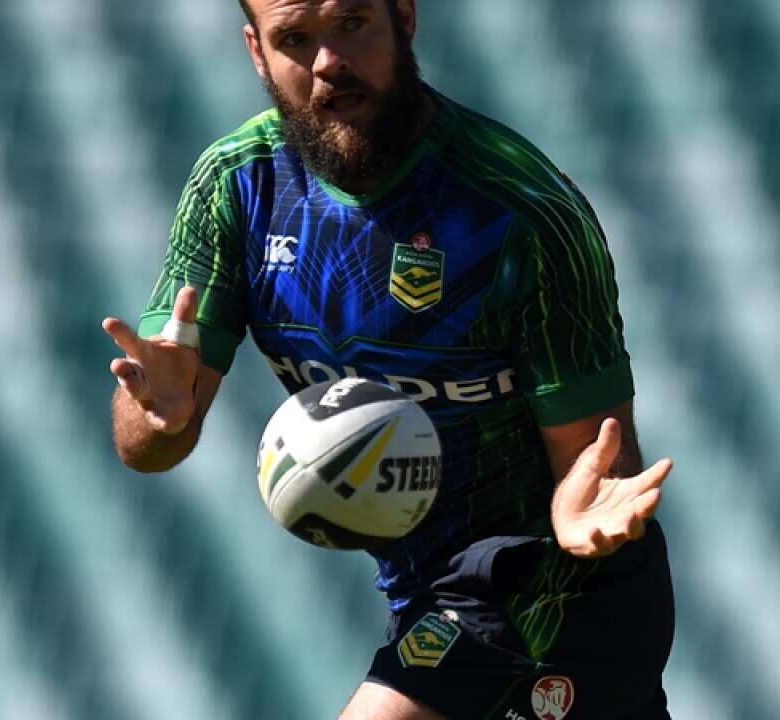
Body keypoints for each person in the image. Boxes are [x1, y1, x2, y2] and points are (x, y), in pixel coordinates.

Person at [103, 1, 676, 717]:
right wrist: (158, 416)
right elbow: (147, 448)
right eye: (294, 39)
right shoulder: (238, 187)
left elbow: (598, 461)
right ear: (256, 51)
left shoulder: (520, 210)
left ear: (403, 17)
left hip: (556, 590)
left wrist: (580, 505)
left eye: (350, 24)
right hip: (425, 599)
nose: (326, 62)